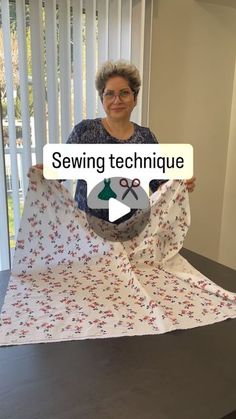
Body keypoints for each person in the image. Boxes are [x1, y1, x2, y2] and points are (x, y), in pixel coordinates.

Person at [33, 60, 196, 222]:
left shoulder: (146, 139)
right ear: (102, 98)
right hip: (88, 235)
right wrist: (44, 172)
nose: (116, 100)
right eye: (109, 94)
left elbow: (160, 187)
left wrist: (179, 185)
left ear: (135, 98)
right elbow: (59, 171)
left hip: (131, 235)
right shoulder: (84, 132)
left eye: (124, 93)